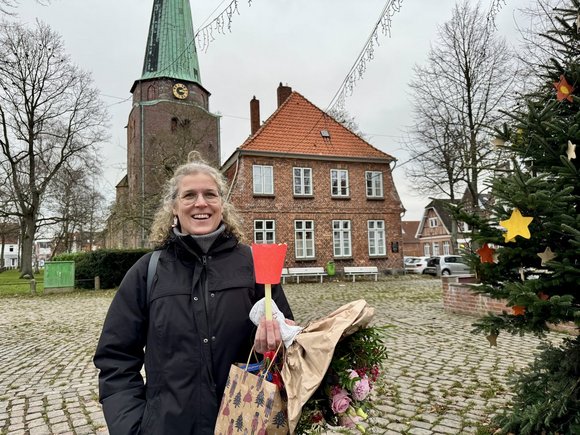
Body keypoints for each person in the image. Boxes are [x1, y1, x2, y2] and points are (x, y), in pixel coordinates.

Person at [94, 152, 294, 434]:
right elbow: (116, 358)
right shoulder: (147, 271)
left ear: (222, 205)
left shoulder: (254, 266)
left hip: (244, 423)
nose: (201, 203)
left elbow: (289, 344)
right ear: (174, 207)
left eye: (210, 194)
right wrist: (133, 427)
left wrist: (274, 340)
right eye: (189, 195)